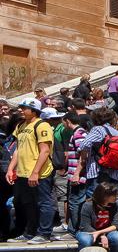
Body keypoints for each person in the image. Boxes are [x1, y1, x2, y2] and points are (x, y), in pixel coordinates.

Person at [6, 97, 56, 244]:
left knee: (44, 202)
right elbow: (18, 150)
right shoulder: (20, 126)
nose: (21, 110)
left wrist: (35, 172)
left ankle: (44, 233)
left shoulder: (42, 126)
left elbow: (45, 151)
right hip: (23, 173)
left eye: (24, 107)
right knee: (28, 203)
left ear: (34, 110)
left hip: (40, 173)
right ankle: (29, 232)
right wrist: (11, 169)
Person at [76, 181, 118, 251]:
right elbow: (85, 226)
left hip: (108, 232)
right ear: (105, 196)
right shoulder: (88, 205)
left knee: (116, 237)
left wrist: (101, 233)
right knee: (86, 240)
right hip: (88, 232)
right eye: (114, 195)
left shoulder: (116, 205)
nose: (117, 197)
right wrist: (102, 236)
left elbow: (117, 224)